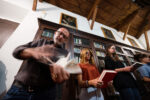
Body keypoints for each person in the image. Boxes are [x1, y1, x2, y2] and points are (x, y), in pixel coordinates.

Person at [2, 28, 70, 100]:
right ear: (55, 33)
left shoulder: (66, 54)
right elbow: (16, 51)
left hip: (45, 95)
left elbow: (63, 77)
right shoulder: (40, 42)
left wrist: (61, 78)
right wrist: (32, 51)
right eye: (60, 33)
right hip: (19, 89)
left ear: (65, 40)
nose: (61, 36)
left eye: (64, 36)